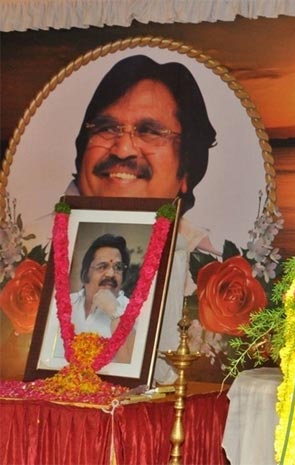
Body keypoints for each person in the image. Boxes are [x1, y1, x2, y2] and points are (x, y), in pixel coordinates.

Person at [66, 54, 218, 251]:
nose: (123, 150)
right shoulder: (21, 255)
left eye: (149, 131)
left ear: (187, 167)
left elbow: (274, 284)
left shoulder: (220, 274)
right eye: (107, 128)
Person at [70, 233, 134, 363]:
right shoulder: (65, 304)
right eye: (102, 266)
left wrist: (114, 312)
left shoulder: (134, 311)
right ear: (86, 271)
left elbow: (130, 366)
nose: (111, 273)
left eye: (118, 268)